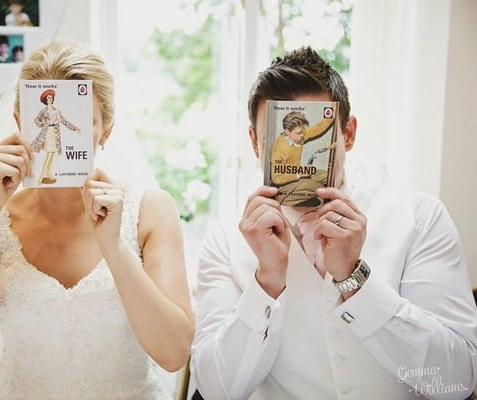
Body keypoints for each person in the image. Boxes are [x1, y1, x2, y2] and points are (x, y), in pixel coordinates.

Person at [0, 41, 194, 399]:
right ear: (19, 122)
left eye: (84, 122)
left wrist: (114, 247)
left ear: (106, 131)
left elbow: (174, 354)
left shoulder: (150, 211)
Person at [190, 47, 477, 399]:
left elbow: (455, 383)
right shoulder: (225, 239)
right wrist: (265, 283)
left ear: (349, 133)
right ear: (255, 143)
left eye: (316, 140)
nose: (299, 158)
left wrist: (355, 280)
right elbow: (218, 391)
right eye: (279, 141)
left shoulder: (420, 218)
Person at [269, 110, 335, 206]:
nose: (303, 135)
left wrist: (332, 111)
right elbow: (276, 178)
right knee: (319, 187)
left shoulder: (300, 134)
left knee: (329, 176)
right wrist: (299, 174)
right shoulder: (279, 149)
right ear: (287, 132)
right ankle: (285, 198)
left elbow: (320, 127)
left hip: (299, 173)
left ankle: (302, 197)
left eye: (303, 131)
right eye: (299, 133)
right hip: (285, 184)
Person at [31, 89, 80, 184]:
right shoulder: (43, 111)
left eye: (51, 98)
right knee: (49, 154)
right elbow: (36, 120)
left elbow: (64, 121)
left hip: (55, 133)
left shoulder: (56, 111)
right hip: (47, 132)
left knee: (53, 153)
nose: (50, 99)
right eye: (48, 98)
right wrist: (42, 123)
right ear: (45, 100)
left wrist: (75, 128)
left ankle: (48, 173)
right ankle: (41, 175)